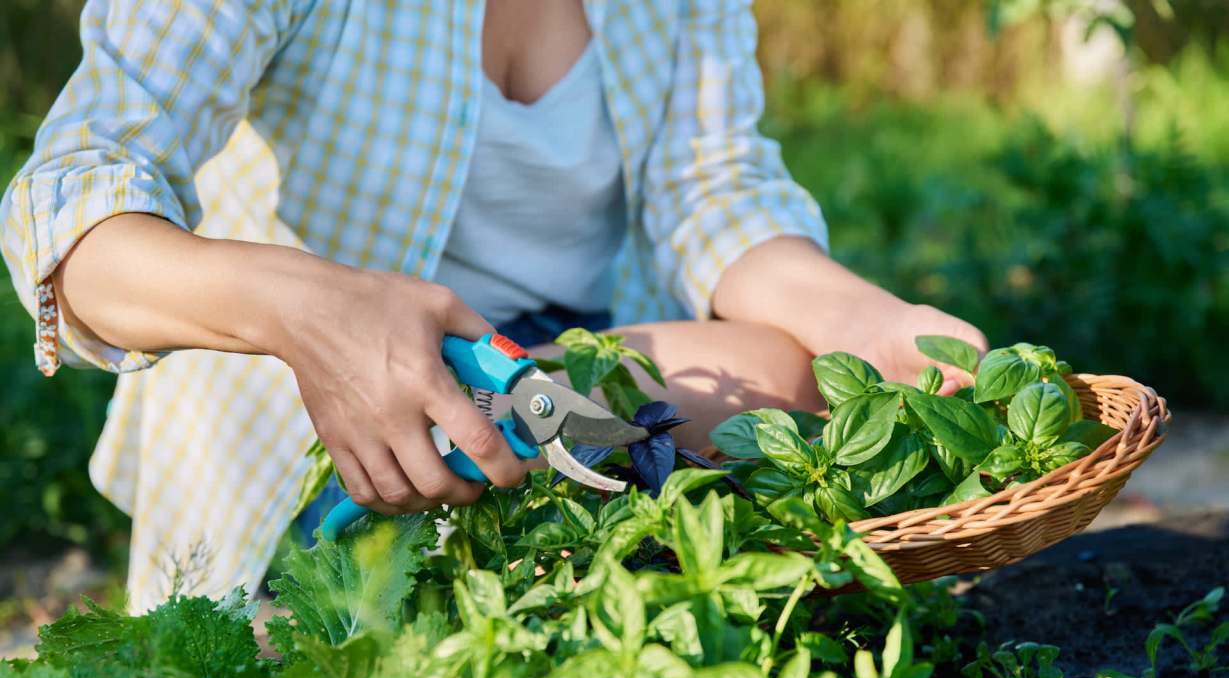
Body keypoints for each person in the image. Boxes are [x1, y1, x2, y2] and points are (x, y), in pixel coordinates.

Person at [1, 0, 985, 612]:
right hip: (313, 430)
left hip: (562, 379)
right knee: (323, 665)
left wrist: (865, 325)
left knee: (780, 381)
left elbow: (711, 187)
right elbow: (69, 205)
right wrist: (308, 309)